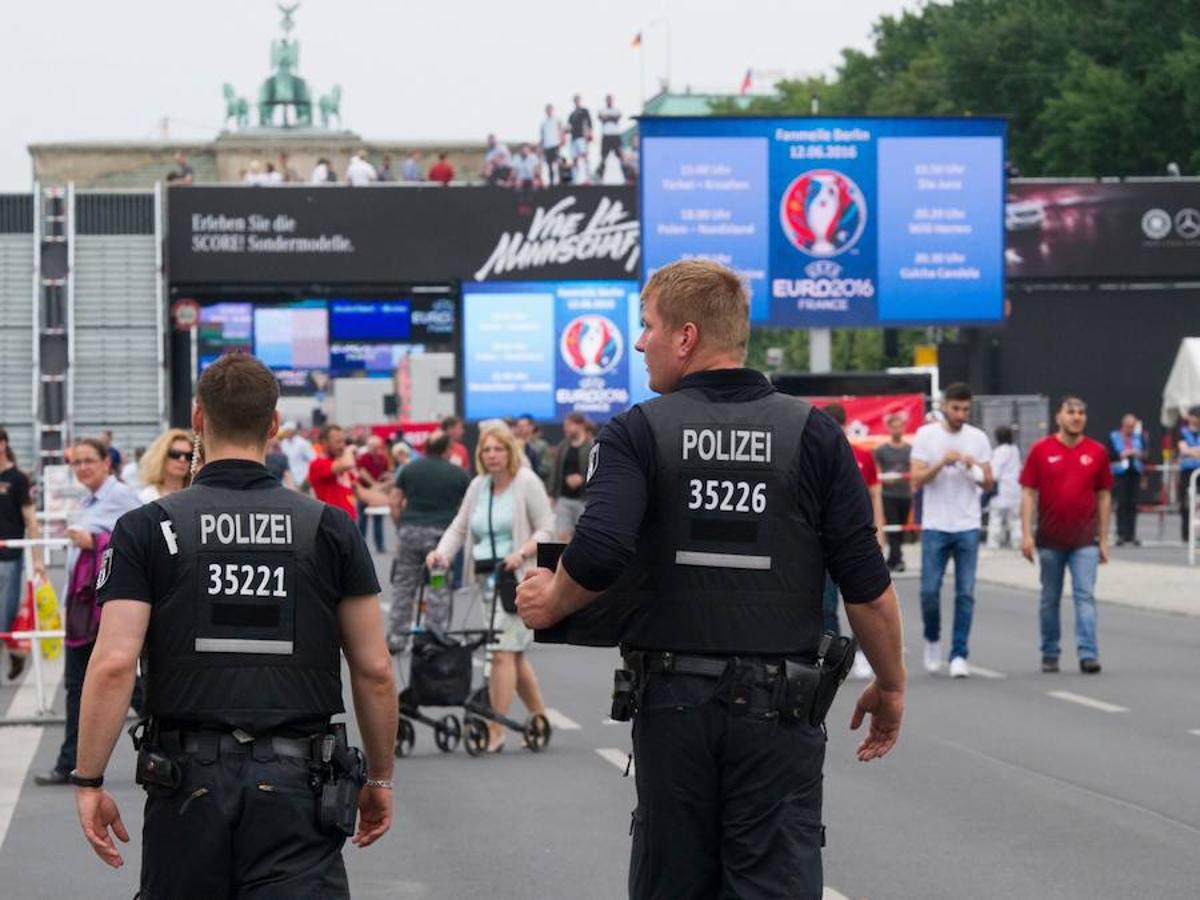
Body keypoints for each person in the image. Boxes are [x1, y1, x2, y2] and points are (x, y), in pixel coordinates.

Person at [516, 259, 905, 898]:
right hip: (782, 710)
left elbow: (603, 548)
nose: (639, 343)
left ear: (686, 337)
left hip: (673, 704)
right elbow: (865, 583)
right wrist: (890, 685)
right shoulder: (814, 434)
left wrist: (552, 599)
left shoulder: (638, 431)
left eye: (647, 327)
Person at [70, 354, 396, 894]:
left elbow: (113, 664)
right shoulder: (329, 527)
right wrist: (380, 778)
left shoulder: (147, 529)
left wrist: (89, 780)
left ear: (198, 419)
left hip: (185, 781)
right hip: (300, 785)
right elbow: (375, 669)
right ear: (273, 424)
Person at [428, 424, 554, 752]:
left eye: (498, 449)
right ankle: (539, 717)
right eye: (487, 450)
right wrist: (441, 554)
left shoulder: (526, 482)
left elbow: (547, 528)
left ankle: (495, 729)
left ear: (510, 451)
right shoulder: (478, 486)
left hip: (517, 580)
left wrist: (523, 552)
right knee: (511, 653)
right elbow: (459, 527)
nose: (492, 455)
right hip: (486, 580)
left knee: (500, 653)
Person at [34, 437, 139, 786]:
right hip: (83, 606)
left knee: (115, 683)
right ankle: (69, 762)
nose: (82, 468)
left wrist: (94, 541)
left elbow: (138, 537)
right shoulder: (89, 498)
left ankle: (71, 763)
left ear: (106, 462)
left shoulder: (120, 496)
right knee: (79, 687)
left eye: (89, 461)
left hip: (104, 607)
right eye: (76, 462)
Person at [1020, 395, 1113, 674]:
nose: (1076, 417)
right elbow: (1028, 493)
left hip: (1085, 540)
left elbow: (1104, 496)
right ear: (1058, 417)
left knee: (1085, 596)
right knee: (1050, 598)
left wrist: (1104, 539)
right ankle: (1050, 652)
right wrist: (1026, 534)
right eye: (1070, 412)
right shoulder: (1041, 450)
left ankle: (1088, 653)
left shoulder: (1097, 452)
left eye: (1081, 412)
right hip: (1050, 539)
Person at [910, 382, 994, 679]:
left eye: (966, 409)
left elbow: (989, 483)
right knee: (929, 591)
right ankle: (932, 639)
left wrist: (975, 468)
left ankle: (959, 653)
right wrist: (940, 463)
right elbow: (916, 479)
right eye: (956, 408)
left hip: (967, 524)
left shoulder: (978, 438)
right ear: (945, 406)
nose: (961, 414)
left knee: (965, 593)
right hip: (935, 524)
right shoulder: (926, 435)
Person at [387, 431, 471, 652]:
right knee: (437, 585)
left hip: (410, 533)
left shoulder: (409, 469)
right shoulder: (458, 474)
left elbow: (395, 501)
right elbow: (466, 509)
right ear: (447, 449)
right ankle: (435, 635)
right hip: (440, 537)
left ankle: (398, 636)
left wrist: (401, 525)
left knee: (404, 585)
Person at [0, 427, 46, 680]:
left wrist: (38, 558)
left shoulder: (17, 479)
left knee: (5, 616)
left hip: (9, 557)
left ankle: (15, 652)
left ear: (3, 444)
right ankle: (14, 651)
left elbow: (31, 519)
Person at [308, 424, 387, 523]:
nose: (342, 445)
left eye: (343, 441)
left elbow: (362, 493)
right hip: (331, 523)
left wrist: (390, 499)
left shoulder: (342, 465)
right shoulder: (317, 464)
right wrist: (349, 450)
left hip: (348, 522)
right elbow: (348, 463)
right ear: (324, 443)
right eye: (338, 442)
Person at [874, 413, 912, 570]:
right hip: (888, 494)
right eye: (894, 427)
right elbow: (877, 471)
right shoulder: (882, 450)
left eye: (900, 426)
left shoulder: (910, 449)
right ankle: (897, 559)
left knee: (900, 528)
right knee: (892, 525)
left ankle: (894, 558)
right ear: (889, 428)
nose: (897, 430)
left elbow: (914, 469)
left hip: (905, 494)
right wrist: (884, 479)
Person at [548, 412, 593, 540]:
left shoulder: (592, 445)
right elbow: (555, 471)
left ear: (580, 425)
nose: (565, 428)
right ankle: (560, 561)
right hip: (563, 499)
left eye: (568, 425)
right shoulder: (562, 446)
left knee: (584, 538)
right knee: (561, 538)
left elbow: (597, 472)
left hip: (584, 500)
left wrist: (582, 479)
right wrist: (551, 494)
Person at [1107, 414, 1145, 547]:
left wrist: (1138, 453)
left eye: (1133, 427)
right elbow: (1109, 454)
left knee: (1133, 504)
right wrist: (1122, 454)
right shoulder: (1114, 436)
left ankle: (1132, 534)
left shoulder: (1139, 437)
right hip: (1120, 473)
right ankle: (1121, 534)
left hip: (1134, 473)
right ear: (1123, 425)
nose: (1130, 429)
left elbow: (1146, 454)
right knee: (1122, 503)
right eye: (1128, 426)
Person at [987, 425, 1023, 550]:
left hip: (1002, 490)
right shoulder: (1015, 450)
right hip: (1015, 489)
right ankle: (1017, 542)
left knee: (996, 517)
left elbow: (995, 473)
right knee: (1015, 519)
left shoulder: (998, 452)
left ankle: (994, 543)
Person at [135, 429, 193, 503]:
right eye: (175, 454)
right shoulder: (148, 496)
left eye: (189, 456)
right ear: (161, 457)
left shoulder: (197, 494)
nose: (182, 460)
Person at [355, 435, 391, 553]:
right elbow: (361, 472)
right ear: (369, 446)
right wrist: (374, 484)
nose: (375, 449)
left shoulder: (382, 458)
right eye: (373, 447)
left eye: (377, 447)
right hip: (364, 492)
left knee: (378, 519)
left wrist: (384, 480)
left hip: (378, 493)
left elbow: (386, 472)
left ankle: (380, 546)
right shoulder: (363, 457)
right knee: (362, 520)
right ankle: (360, 546)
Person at [1175, 406, 1200, 542]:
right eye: (1195, 416)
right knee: (1186, 503)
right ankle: (1186, 534)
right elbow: (1184, 451)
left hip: (1199, 471)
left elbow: (1190, 451)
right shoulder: (1181, 432)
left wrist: (1192, 451)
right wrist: (1194, 452)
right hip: (1187, 473)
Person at [279, 421, 315, 490]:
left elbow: (313, 459)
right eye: (285, 431)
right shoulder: (283, 444)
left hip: (302, 480)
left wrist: (308, 478)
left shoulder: (303, 443)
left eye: (287, 431)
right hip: (289, 481)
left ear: (292, 431)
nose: (286, 433)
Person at [567, 94, 593, 182]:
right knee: (574, 159)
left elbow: (589, 124)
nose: (576, 102)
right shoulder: (571, 114)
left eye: (578, 100)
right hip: (573, 138)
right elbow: (569, 127)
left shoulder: (584, 111)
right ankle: (575, 179)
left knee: (585, 157)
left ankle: (589, 178)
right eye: (575, 100)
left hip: (582, 137)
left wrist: (589, 134)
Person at [596, 94, 623, 177]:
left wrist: (608, 117)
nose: (609, 101)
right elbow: (601, 118)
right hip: (606, 135)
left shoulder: (617, 109)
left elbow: (617, 118)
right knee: (603, 156)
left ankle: (628, 176)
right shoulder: (602, 110)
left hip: (615, 135)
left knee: (620, 156)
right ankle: (599, 176)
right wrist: (611, 117)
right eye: (608, 100)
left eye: (610, 100)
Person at [539, 103, 564, 185]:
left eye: (550, 109)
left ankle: (560, 181)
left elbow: (561, 131)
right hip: (547, 146)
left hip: (555, 145)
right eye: (547, 110)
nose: (549, 111)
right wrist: (541, 146)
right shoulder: (543, 123)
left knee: (558, 163)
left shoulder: (557, 120)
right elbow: (542, 136)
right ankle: (551, 181)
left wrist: (561, 142)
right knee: (549, 165)